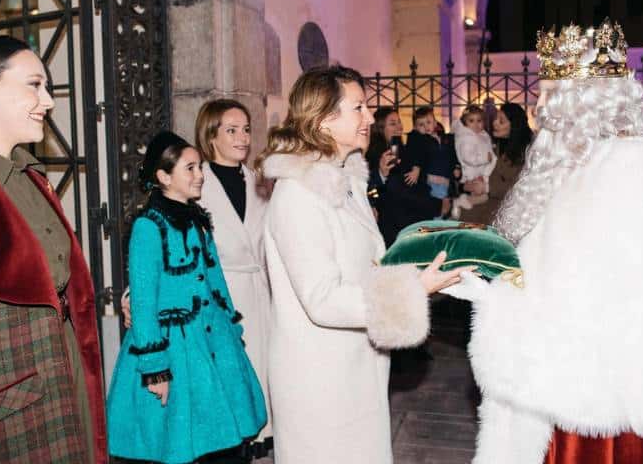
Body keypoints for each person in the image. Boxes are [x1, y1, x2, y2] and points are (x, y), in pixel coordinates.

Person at [444, 22, 643, 463]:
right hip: (571, 384)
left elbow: (598, 297)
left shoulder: (629, 165)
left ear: (588, 102)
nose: (540, 105)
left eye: (552, 93)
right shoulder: (578, 162)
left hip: (603, 403)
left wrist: (494, 294)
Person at [256, 65, 465, 464]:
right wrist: (413, 290)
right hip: (321, 379)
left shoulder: (346, 181)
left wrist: (415, 268)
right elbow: (322, 299)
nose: (370, 117)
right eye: (359, 107)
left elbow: (367, 264)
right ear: (323, 119)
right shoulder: (298, 194)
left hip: (355, 368)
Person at [0, 32, 106, 463]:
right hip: (7, 424)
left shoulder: (31, 177)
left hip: (63, 391)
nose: (48, 101)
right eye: (34, 85)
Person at [107, 131, 266, 464]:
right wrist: (155, 370)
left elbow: (215, 280)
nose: (200, 175)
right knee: (178, 440)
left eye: (199, 167)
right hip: (173, 348)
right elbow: (144, 303)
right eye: (190, 168)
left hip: (212, 339)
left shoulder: (197, 221)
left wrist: (232, 332)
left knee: (223, 437)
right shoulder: (148, 228)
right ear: (164, 177)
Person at [195, 99, 273, 456]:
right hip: (218, 296)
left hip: (259, 294)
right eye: (231, 130)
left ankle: (258, 438)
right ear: (211, 136)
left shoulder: (260, 181)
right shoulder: (195, 182)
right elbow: (173, 243)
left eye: (245, 129)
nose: (242, 138)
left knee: (261, 374)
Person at [366, 106, 446, 246]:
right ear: (380, 129)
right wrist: (437, 205)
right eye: (393, 123)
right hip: (398, 229)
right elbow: (396, 192)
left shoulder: (404, 149)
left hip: (417, 223)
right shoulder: (378, 155)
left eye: (399, 122)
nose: (399, 127)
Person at [459, 102, 533, 224]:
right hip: (484, 202)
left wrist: (487, 187)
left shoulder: (525, 152)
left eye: (501, 121)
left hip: (508, 209)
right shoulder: (494, 144)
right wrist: (467, 184)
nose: (495, 123)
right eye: (495, 119)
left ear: (514, 126)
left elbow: (521, 187)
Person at [451, 104, 497, 216]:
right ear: (465, 122)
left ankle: (461, 205)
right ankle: (458, 204)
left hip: (480, 173)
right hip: (470, 174)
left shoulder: (481, 134)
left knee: (482, 198)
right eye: (471, 121)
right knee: (483, 195)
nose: (476, 124)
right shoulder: (466, 137)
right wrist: (485, 158)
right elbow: (468, 157)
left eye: (479, 120)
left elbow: (485, 148)